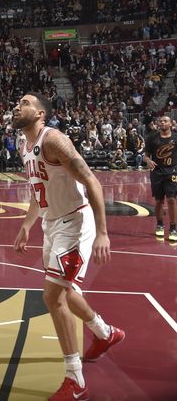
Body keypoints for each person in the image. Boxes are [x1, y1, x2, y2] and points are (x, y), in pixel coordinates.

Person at [12, 93, 124, 401]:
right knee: (68, 291)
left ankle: (76, 382)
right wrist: (26, 226)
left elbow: (92, 181)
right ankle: (105, 333)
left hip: (75, 223)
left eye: (25, 102)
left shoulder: (54, 141)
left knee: (53, 296)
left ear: (40, 113)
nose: (17, 106)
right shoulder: (24, 146)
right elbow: (39, 192)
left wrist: (102, 232)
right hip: (51, 224)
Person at [144, 115, 177, 241]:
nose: (162, 122)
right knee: (158, 201)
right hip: (157, 172)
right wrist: (147, 160)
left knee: (172, 200)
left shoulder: (175, 137)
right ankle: (159, 224)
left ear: (171, 124)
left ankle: (173, 228)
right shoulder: (152, 137)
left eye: (165, 121)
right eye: (161, 121)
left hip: (172, 171)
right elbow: (146, 155)